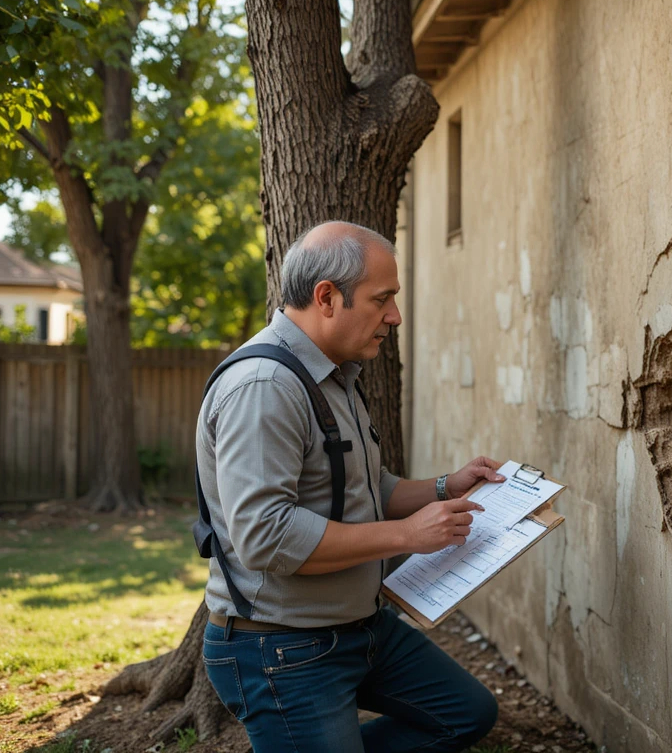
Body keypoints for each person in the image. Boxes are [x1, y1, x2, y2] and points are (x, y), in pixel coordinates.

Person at [197, 221, 501, 752]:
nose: (395, 316)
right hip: (280, 647)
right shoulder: (266, 387)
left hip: (359, 629)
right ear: (327, 297)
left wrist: (444, 488)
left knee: (465, 714)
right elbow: (265, 536)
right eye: (382, 299)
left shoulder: (333, 374)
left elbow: (362, 489)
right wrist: (406, 535)